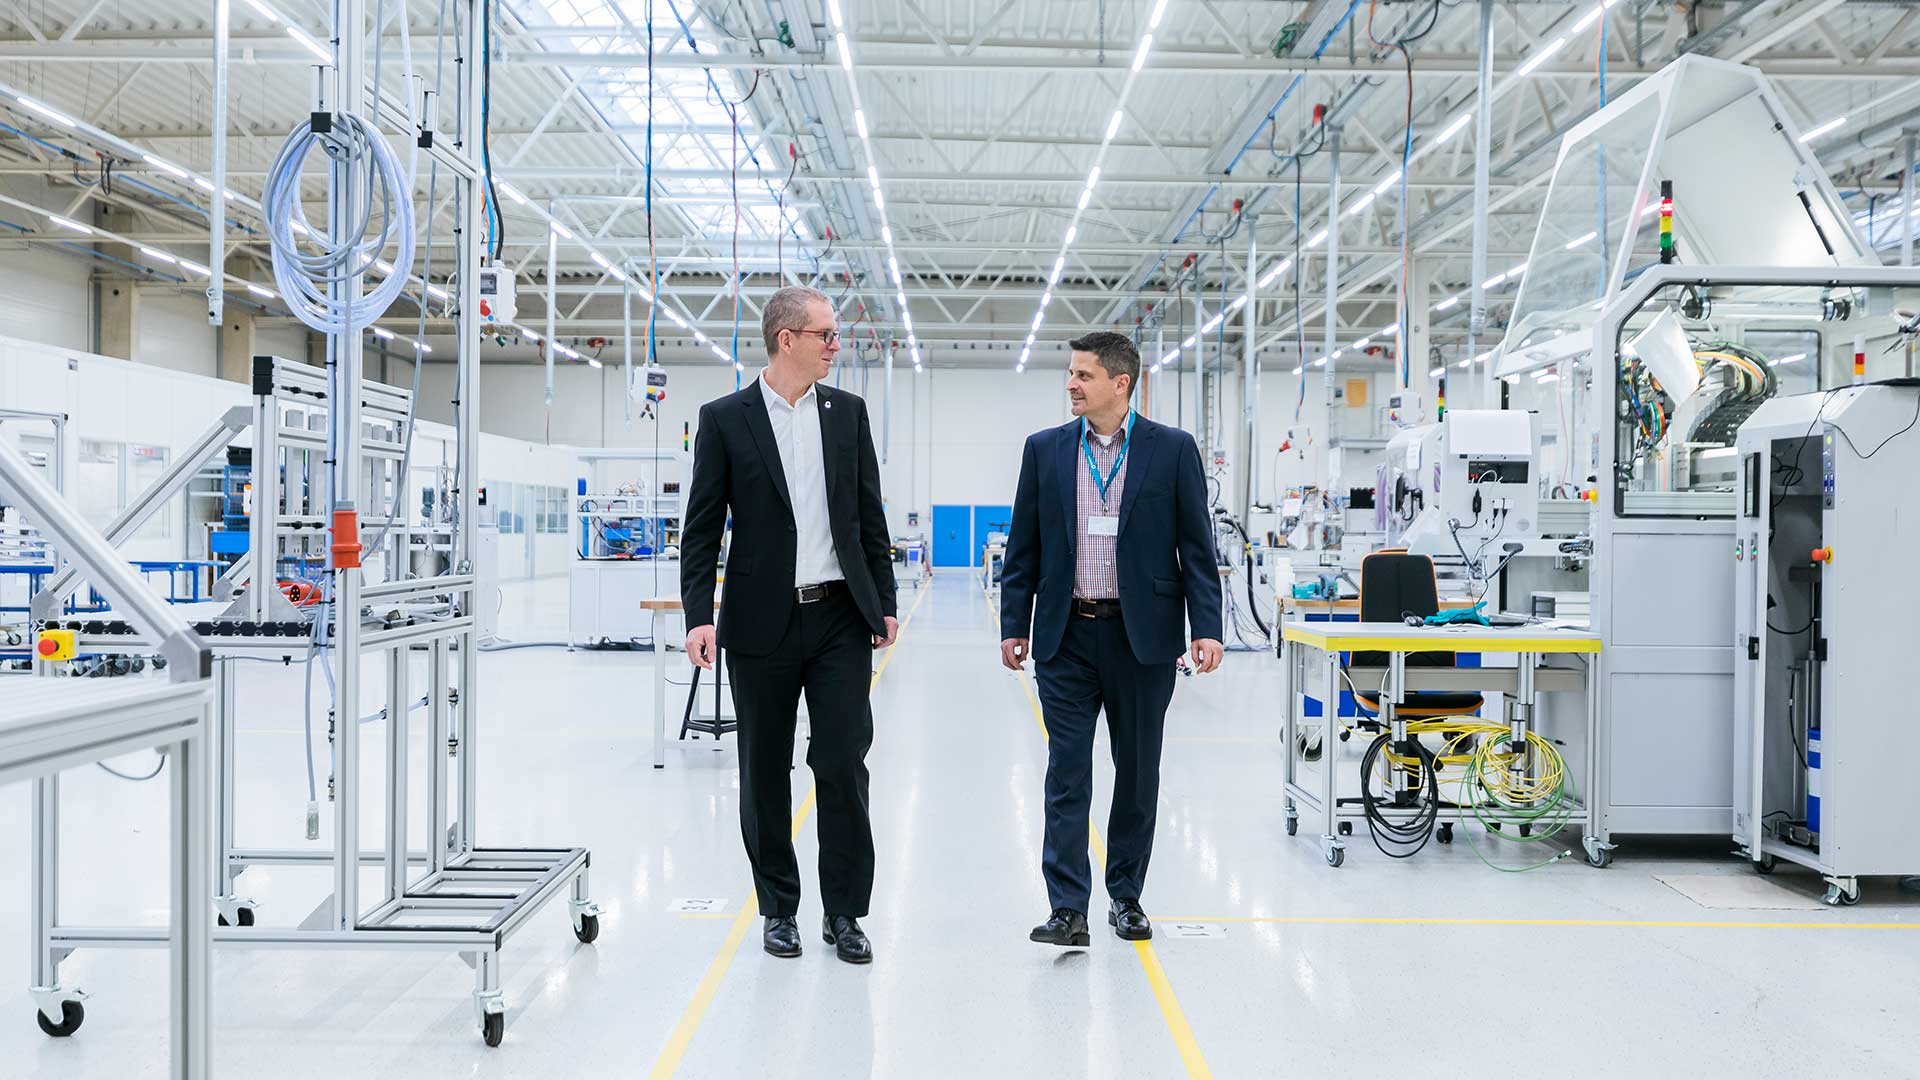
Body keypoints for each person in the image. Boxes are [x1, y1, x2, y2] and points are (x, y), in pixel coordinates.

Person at [680, 285, 899, 965]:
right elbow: (702, 526)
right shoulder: (726, 419)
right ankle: (779, 908)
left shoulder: (848, 413)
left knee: (840, 764)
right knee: (764, 771)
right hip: (759, 621)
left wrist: (884, 600)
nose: (837, 345)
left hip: (839, 616)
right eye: (827, 335)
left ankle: (845, 912)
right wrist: (698, 615)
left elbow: (868, 515)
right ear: (787, 339)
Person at [998, 330, 1224, 947]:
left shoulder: (1172, 450)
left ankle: (1126, 897)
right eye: (1070, 374)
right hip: (1065, 635)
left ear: (1121, 384)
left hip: (1141, 639)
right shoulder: (1043, 450)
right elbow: (1024, 547)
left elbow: (1197, 549)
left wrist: (1207, 626)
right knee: (1067, 773)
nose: (1071, 383)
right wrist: (1013, 623)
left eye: (1083, 375)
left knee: (1137, 773)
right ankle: (1068, 907)